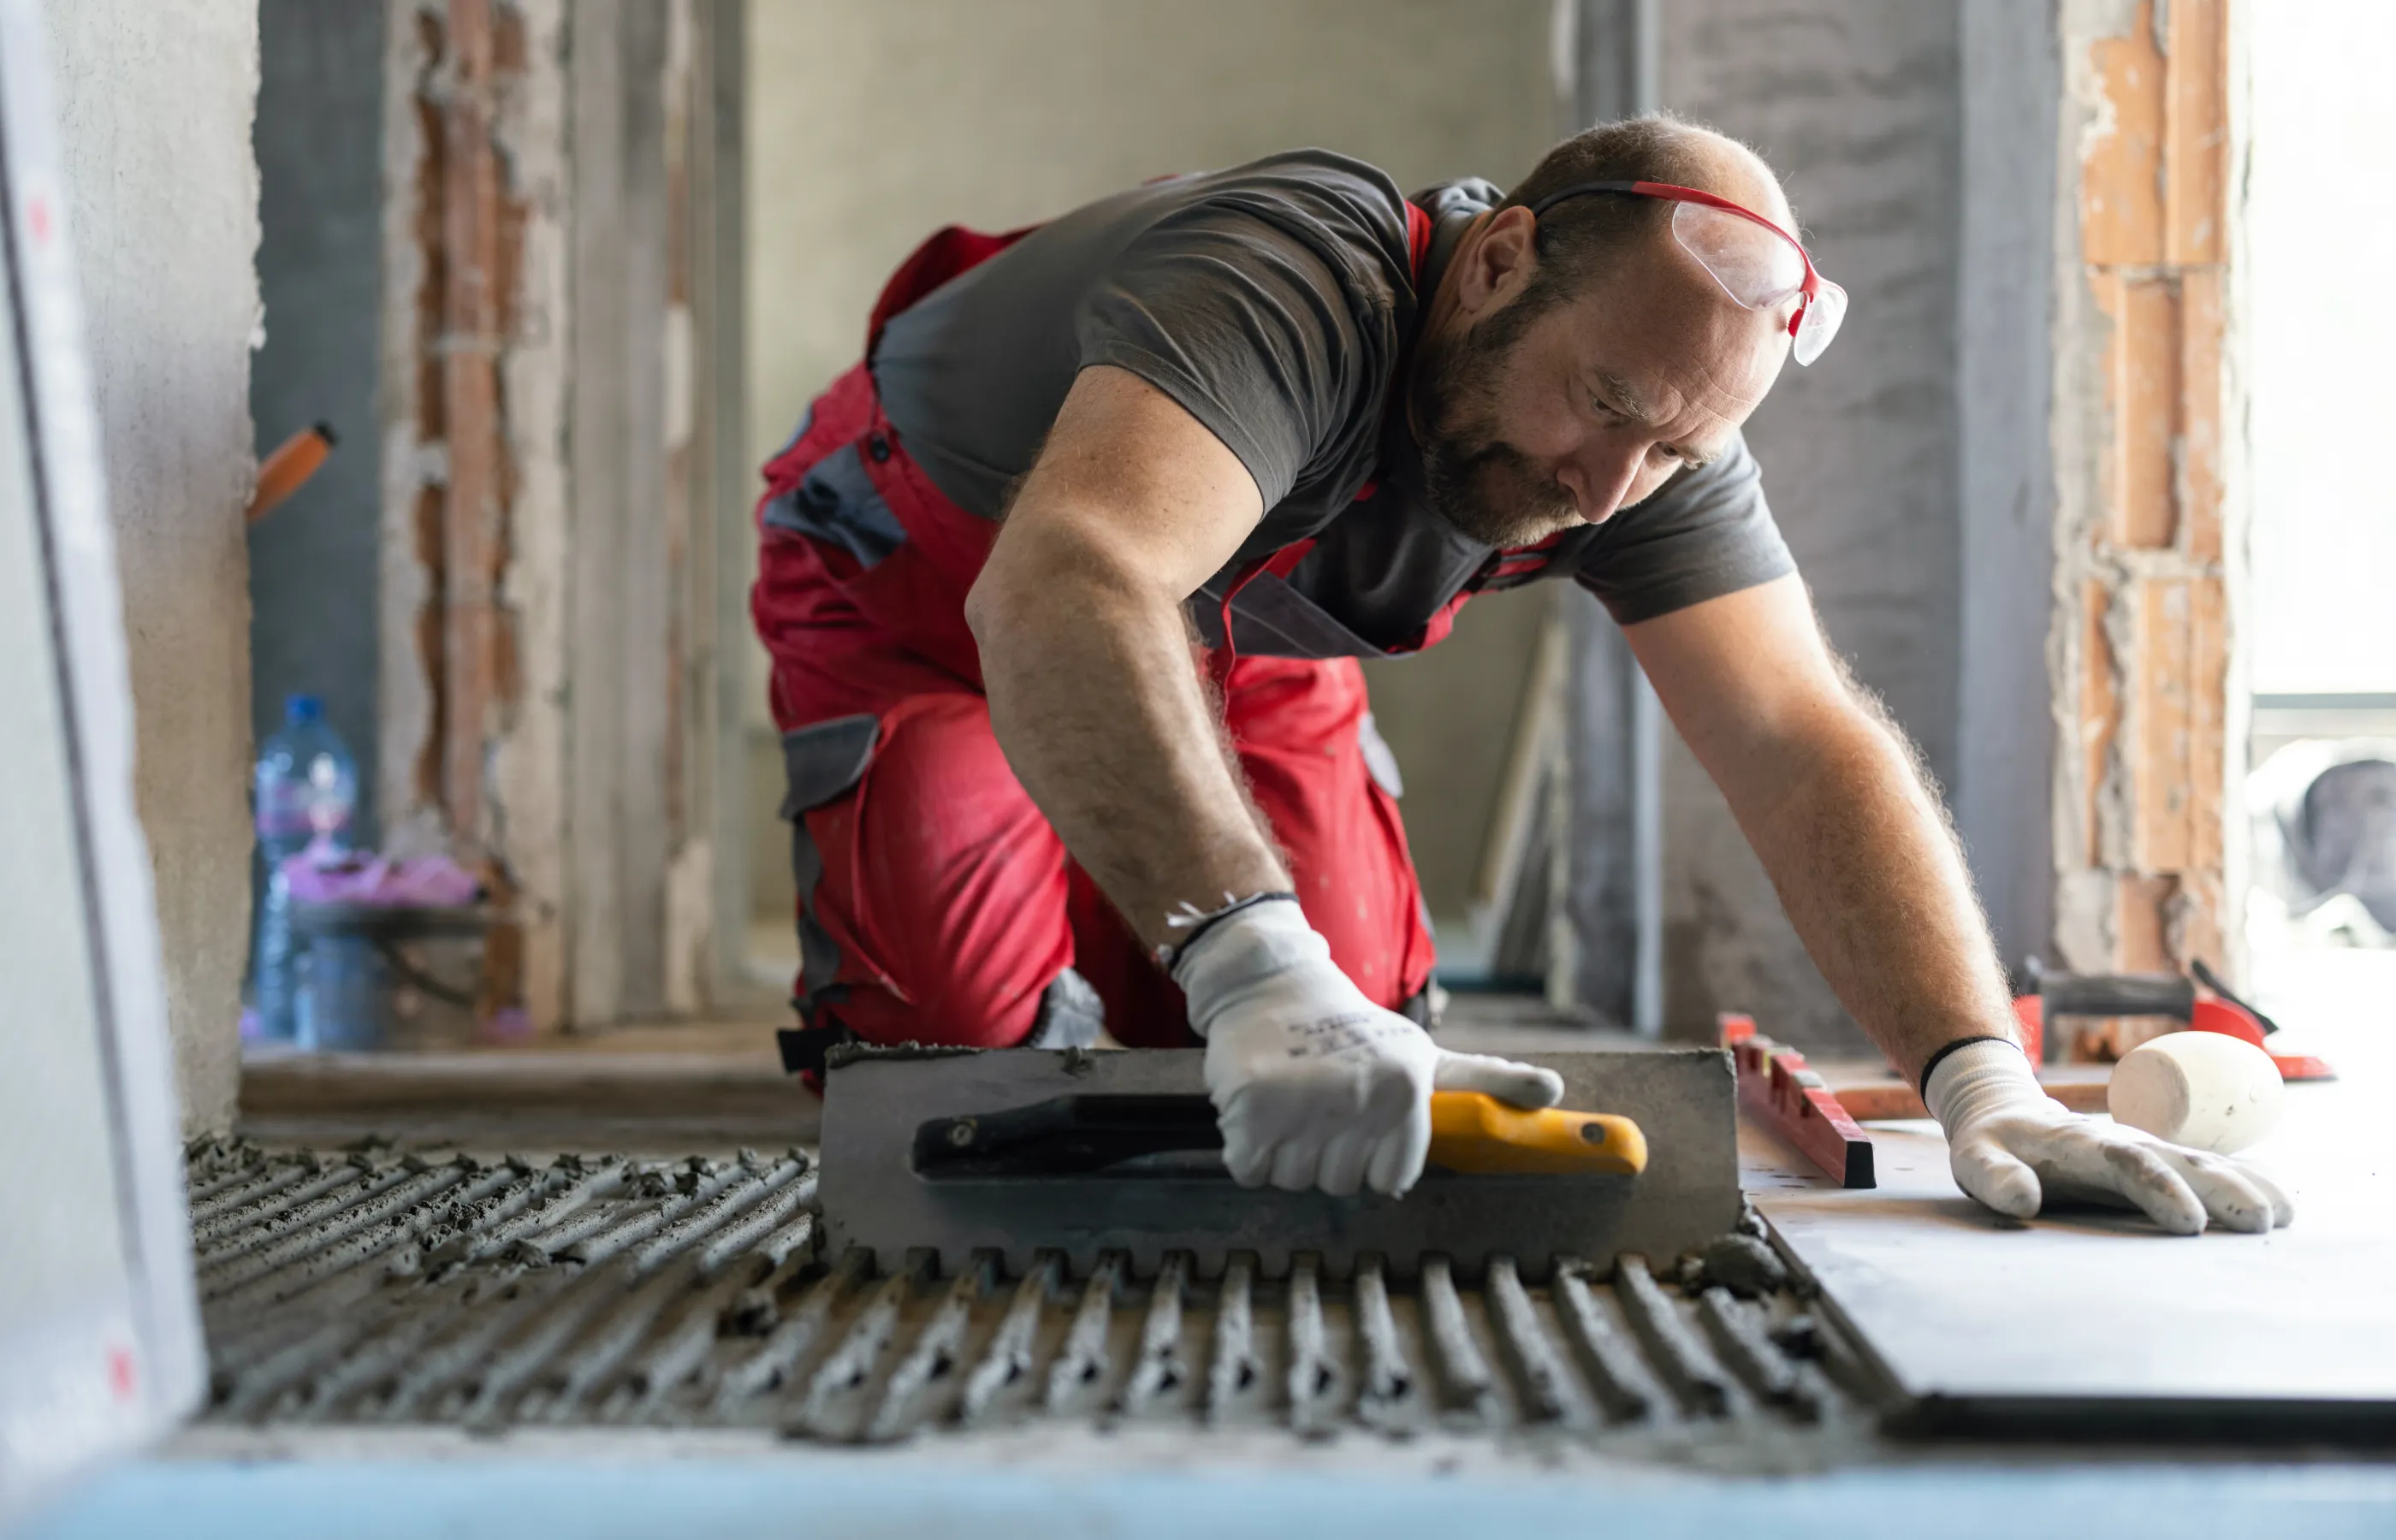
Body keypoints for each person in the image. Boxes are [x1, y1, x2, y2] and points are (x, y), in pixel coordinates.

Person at [751, 114, 2291, 1235]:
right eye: (1603, 403)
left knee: (1368, 1053)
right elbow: (1070, 578)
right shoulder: (1295, 281)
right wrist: (1249, 967)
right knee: (943, 1085)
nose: (1612, 487)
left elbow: (1799, 737)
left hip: (1244, 637)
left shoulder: (1650, 436)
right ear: (1496, 262)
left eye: (1674, 447)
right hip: (936, 586)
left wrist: (1982, 1077)